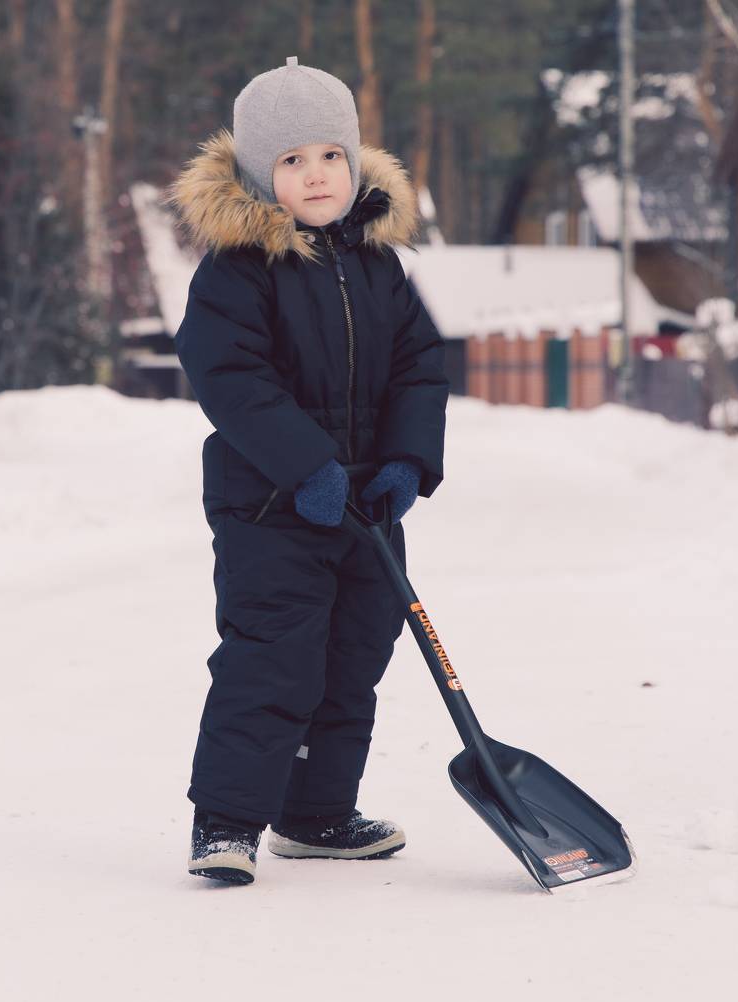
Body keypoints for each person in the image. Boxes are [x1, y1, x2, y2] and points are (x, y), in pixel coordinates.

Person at [168, 57, 449, 885]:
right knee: (271, 658)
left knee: (354, 655)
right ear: (262, 174)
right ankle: (225, 822)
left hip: (366, 508)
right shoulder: (237, 270)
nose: (317, 174)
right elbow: (232, 378)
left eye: (331, 155)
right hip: (270, 507)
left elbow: (420, 367)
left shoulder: (379, 265)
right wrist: (306, 467)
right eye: (293, 160)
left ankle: (317, 813)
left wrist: (406, 461)